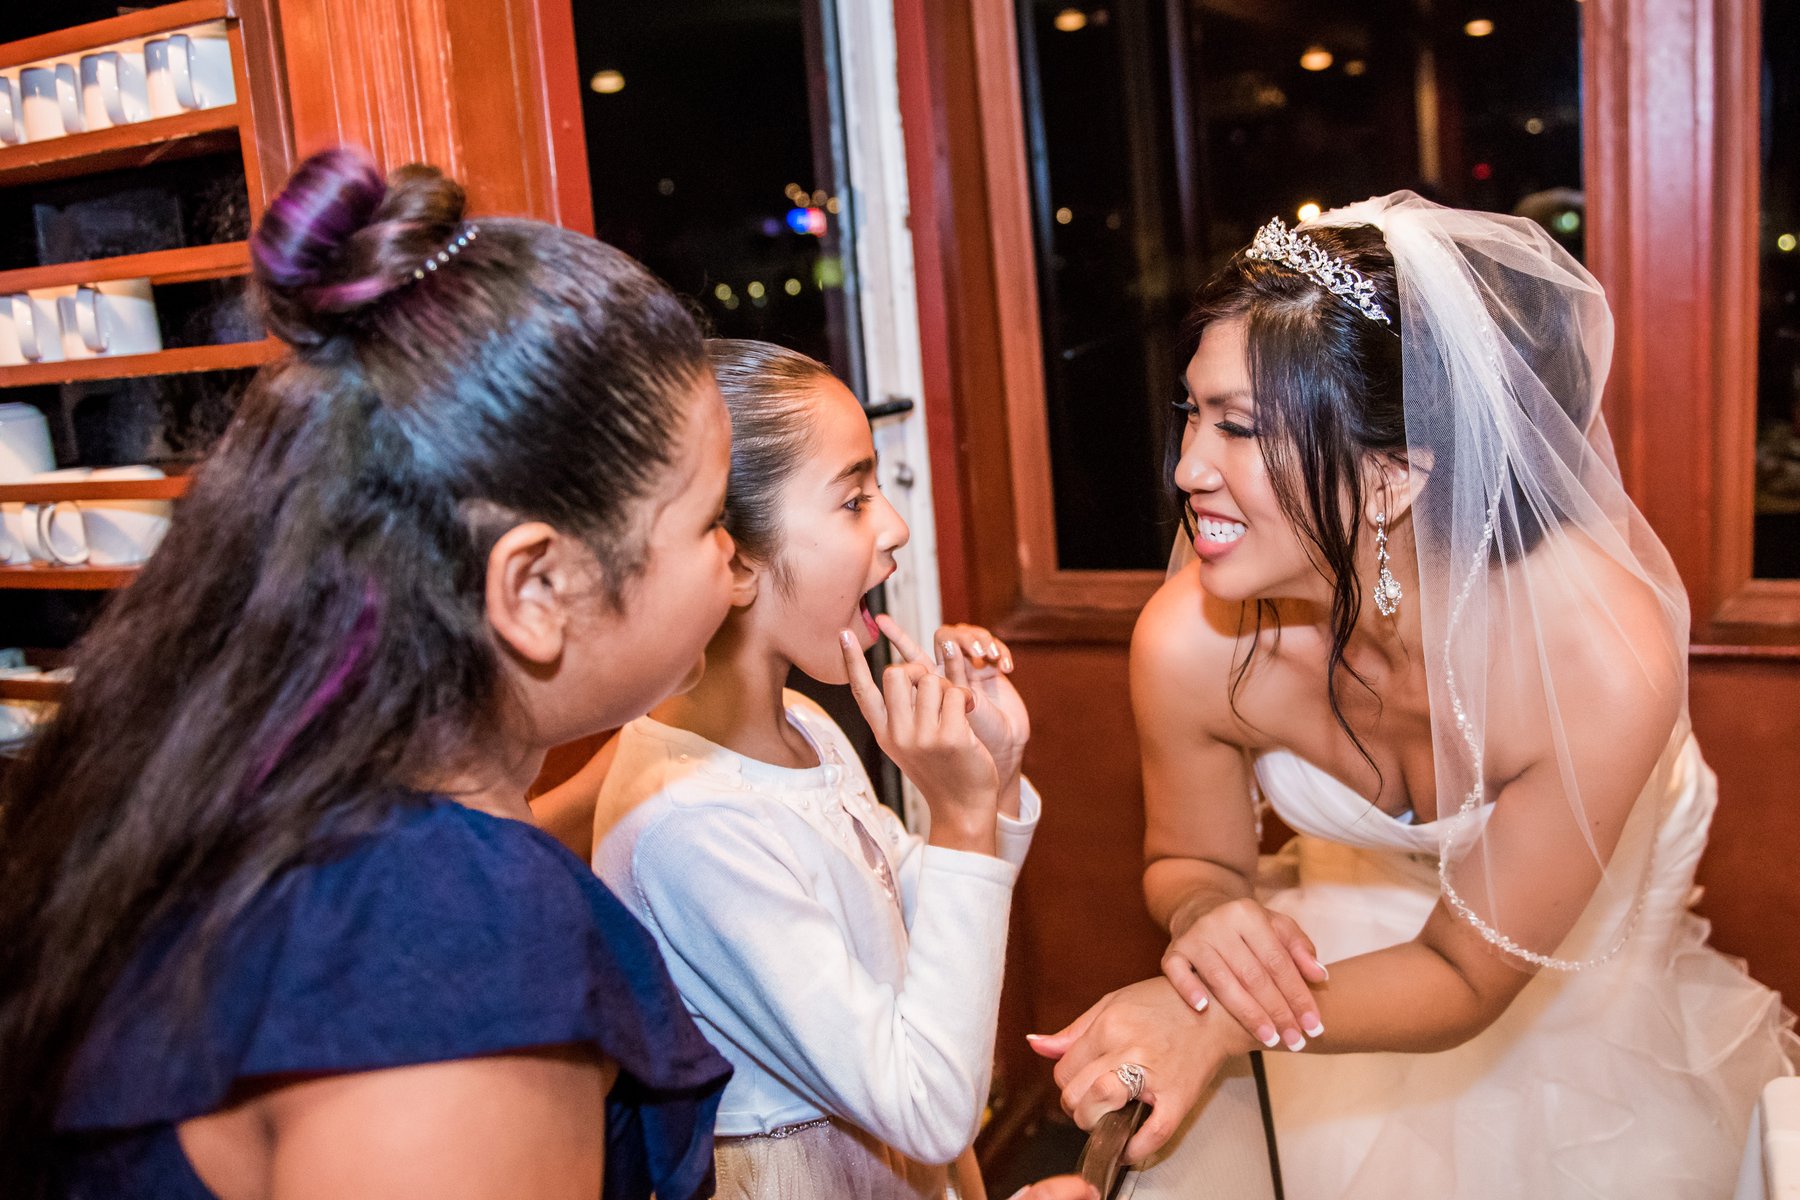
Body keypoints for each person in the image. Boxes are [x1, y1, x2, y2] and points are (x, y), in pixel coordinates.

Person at [0, 147, 736, 1200]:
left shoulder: (251, 794)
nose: (734, 556)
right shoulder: (463, 944)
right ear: (534, 587)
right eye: (709, 518)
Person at [1029, 194, 1795, 1198]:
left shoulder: (1598, 657)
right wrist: (1210, 912)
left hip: (1590, 1028)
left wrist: (1217, 1018)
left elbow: (1468, 972)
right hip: (1332, 977)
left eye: (1239, 427)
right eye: (1191, 415)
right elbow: (1191, 859)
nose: (1187, 469)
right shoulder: (1192, 642)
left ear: (1391, 479)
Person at [592, 339, 1039, 1199]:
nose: (895, 526)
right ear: (736, 560)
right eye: (854, 498)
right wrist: (957, 816)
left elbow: (915, 919)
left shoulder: (804, 725)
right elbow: (930, 1106)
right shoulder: (692, 829)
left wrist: (992, 776)